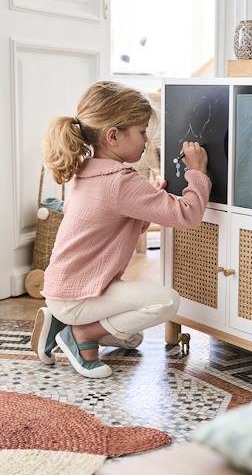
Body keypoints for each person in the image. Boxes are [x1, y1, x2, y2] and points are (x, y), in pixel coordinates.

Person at [31, 81, 210, 379]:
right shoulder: (121, 181)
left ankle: (61, 321)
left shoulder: (86, 168)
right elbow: (187, 215)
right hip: (79, 297)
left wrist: (149, 199)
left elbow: (112, 222)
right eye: (141, 132)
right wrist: (197, 172)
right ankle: (81, 334)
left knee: (132, 338)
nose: (145, 141)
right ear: (113, 135)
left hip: (62, 290)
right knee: (166, 301)